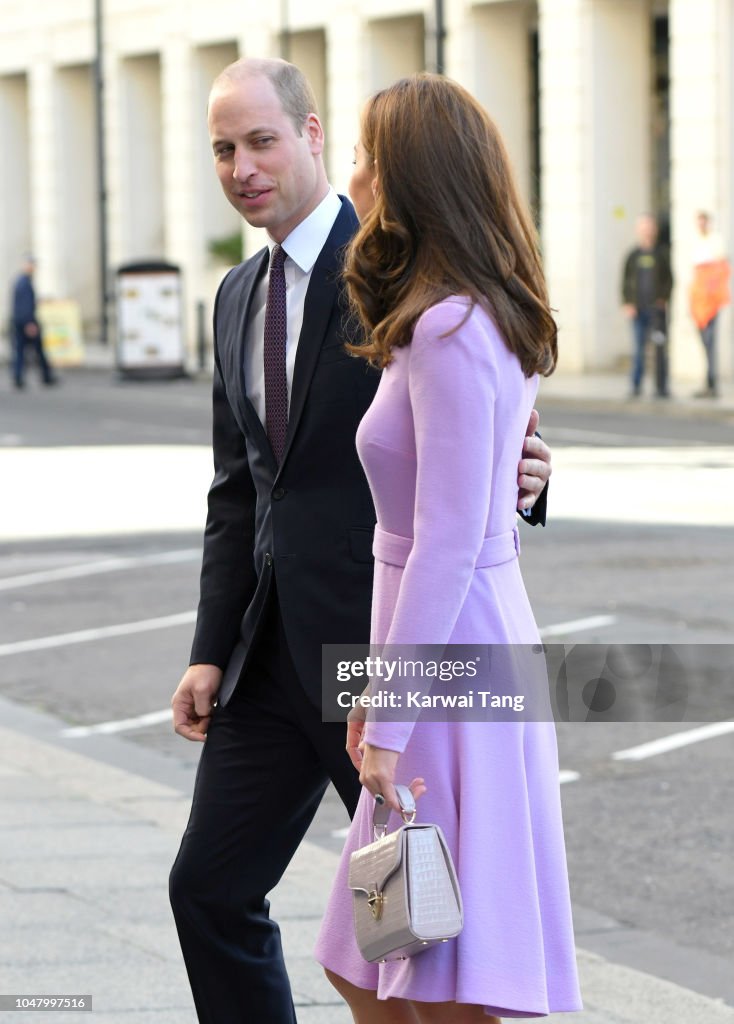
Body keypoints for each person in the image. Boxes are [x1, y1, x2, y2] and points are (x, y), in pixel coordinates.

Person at [168, 57, 553, 1024]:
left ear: (312, 137)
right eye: (224, 147)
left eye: (261, 140)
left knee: (431, 953)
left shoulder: (396, 279)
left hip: (399, 658)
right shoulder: (235, 297)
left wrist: (525, 476)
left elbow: (467, 480)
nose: (242, 165)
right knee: (269, 910)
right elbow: (239, 492)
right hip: (286, 657)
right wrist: (211, 648)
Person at [314, 75, 582, 1022]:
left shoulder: (449, 327)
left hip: (450, 661)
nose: (351, 171)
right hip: (435, 647)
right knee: (373, 951)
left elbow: (448, 545)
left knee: (435, 970)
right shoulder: (458, 315)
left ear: (404, 177)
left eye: (362, 153)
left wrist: (386, 715)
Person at [621, 214, 673, 398]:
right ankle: (635, 385)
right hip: (638, 310)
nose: (646, 231)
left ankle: (662, 387)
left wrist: (663, 299)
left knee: (660, 349)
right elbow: (625, 281)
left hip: (656, 311)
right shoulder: (633, 255)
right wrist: (627, 303)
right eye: (643, 227)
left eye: (649, 227)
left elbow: (669, 279)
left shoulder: (661, 254)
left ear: (655, 230)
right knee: (638, 350)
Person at [688, 211, 730, 398]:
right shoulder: (696, 242)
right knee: (705, 341)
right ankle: (708, 380)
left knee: (710, 341)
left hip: (710, 301)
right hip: (699, 300)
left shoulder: (715, 242)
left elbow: (720, 271)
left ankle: (711, 381)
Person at [10, 256, 56, 389]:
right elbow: (25, 305)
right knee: (37, 350)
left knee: (20, 350)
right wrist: (30, 323)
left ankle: (20, 376)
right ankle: (45, 376)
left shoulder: (21, 281)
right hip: (26, 321)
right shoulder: (24, 283)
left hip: (19, 320)